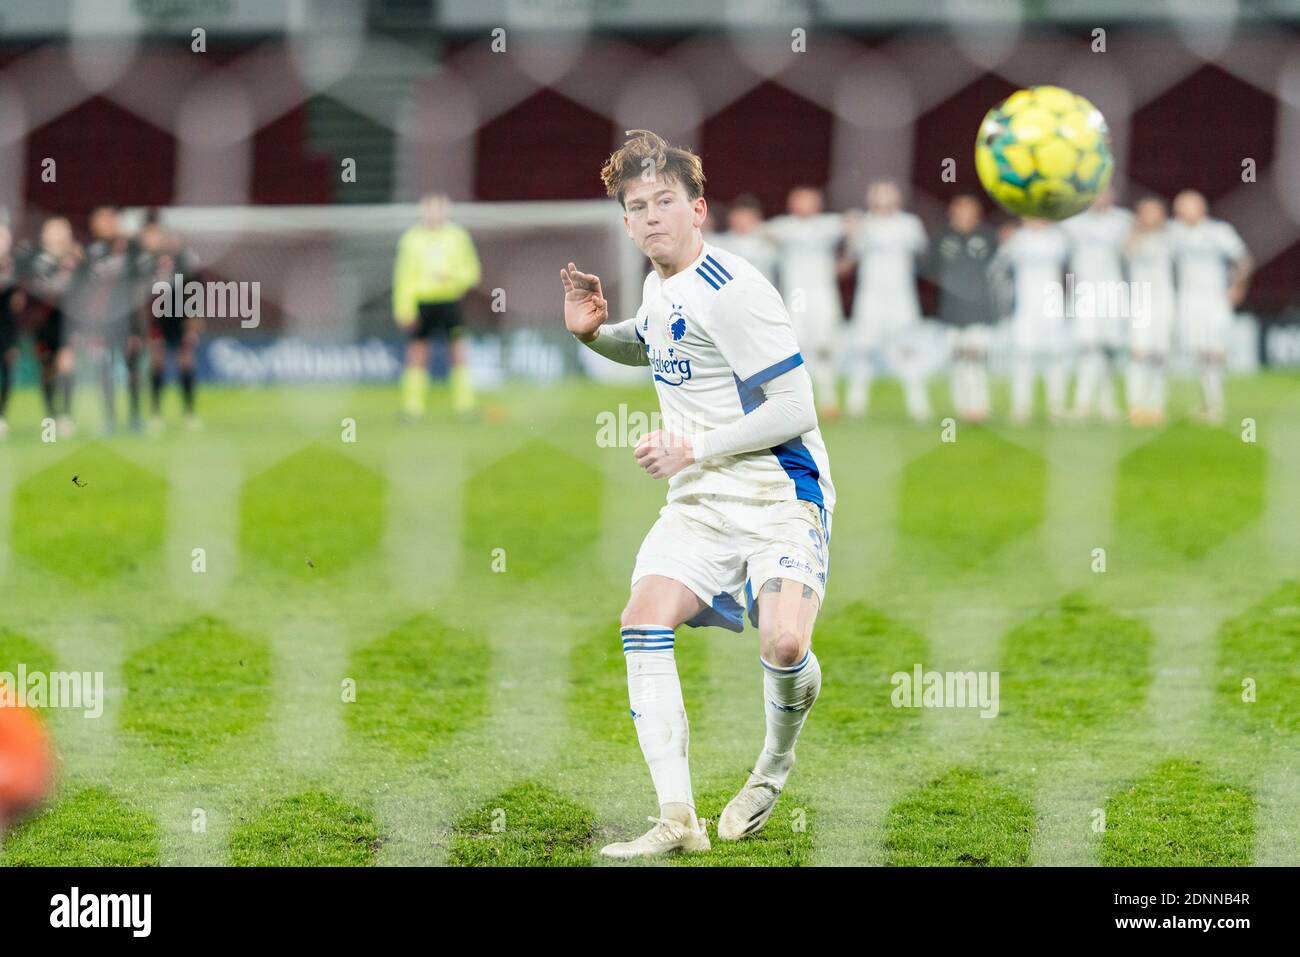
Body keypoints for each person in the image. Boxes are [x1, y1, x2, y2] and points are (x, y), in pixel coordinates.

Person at [562, 129, 834, 858]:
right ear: (625, 222)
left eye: (665, 201)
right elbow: (656, 342)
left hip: (779, 490)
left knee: (782, 642)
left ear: (698, 209)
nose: (651, 215)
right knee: (642, 616)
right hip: (701, 499)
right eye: (636, 205)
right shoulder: (658, 286)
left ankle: (772, 768)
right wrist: (596, 335)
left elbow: (796, 407)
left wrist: (694, 446)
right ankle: (677, 816)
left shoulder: (736, 291)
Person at [843, 180, 930, 422]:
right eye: (878, 194)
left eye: (888, 194)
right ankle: (855, 405)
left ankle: (918, 406)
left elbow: (921, 249)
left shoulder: (909, 224)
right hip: (870, 297)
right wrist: (852, 229)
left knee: (909, 350)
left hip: (901, 297)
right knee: (863, 349)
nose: (883, 199)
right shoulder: (863, 224)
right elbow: (852, 254)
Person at [391, 193, 482, 419]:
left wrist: (450, 276)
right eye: (429, 209)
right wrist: (403, 308)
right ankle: (412, 408)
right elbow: (402, 278)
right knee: (418, 352)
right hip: (422, 302)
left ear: (446, 211)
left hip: (449, 301)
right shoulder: (411, 239)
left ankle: (465, 405)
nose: (434, 214)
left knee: (458, 350)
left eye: (438, 209)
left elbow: (472, 273)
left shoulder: (458, 237)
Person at [1167, 190, 1251, 424]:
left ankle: (1215, 404)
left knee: (1214, 350)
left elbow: (1243, 260)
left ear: (1201, 208)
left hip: (1214, 299)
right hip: (1187, 299)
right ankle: (1209, 402)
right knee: (1199, 351)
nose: (1180, 212)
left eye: (1185, 206)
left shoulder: (1218, 232)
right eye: (1178, 207)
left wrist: (1238, 288)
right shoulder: (1174, 232)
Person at [764, 185, 849, 417]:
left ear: (818, 204)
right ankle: (795, 401)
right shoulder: (785, 226)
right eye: (799, 200)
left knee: (824, 347)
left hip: (822, 295)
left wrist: (846, 259)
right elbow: (760, 231)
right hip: (796, 296)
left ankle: (828, 400)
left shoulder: (827, 225)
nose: (803, 206)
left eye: (808, 200)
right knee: (794, 347)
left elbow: (854, 225)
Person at [68, 206, 145, 433]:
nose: (107, 223)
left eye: (111, 218)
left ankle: (135, 417)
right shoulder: (88, 252)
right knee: (104, 368)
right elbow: (80, 289)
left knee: (133, 368)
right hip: (101, 322)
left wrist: (138, 327)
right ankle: (109, 418)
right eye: (102, 219)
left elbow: (139, 287)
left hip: (129, 320)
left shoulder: (130, 248)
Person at [1062, 187, 1133, 421]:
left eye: (1105, 193)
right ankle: (1082, 403)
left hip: (1113, 290)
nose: (1101, 198)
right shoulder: (1072, 221)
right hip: (1084, 291)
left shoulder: (1123, 220)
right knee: (1086, 347)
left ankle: (1107, 402)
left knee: (1109, 348)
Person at [991, 218, 1071, 423]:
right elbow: (998, 265)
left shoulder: (1058, 238)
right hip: (1025, 307)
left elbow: (1067, 258)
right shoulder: (1017, 239)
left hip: (1052, 307)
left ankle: (1057, 406)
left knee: (1055, 358)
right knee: (1022, 358)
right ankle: (1021, 407)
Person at [929, 195, 997, 422]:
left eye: (969, 209)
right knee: (957, 361)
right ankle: (962, 408)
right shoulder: (942, 238)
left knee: (977, 359)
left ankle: (980, 407)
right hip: (951, 310)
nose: (964, 213)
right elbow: (930, 269)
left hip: (979, 310)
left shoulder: (988, 237)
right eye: (959, 208)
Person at [18, 216, 82, 436]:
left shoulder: (75, 259)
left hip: (67, 321)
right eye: (51, 231)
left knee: (66, 365)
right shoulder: (35, 260)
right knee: (46, 368)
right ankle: (51, 415)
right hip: (42, 323)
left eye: (60, 231)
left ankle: (65, 414)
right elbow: (25, 292)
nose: (55, 236)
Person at [139, 220, 204, 430]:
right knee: (157, 362)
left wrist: (194, 321)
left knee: (186, 361)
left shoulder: (188, 261)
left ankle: (189, 412)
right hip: (158, 320)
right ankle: (155, 413)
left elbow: (197, 292)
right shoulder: (151, 262)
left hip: (183, 318)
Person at [1125, 197, 1176, 426]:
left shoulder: (1171, 239)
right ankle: (1136, 404)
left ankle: (1156, 405)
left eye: (1156, 212)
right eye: (1146, 212)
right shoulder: (1131, 238)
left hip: (1164, 301)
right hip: (1139, 301)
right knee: (1139, 353)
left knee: (1160, 355)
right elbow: (1126, 252)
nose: (1151, 217)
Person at [709, 194, 777, 286]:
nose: (742, 221)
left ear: (757, 218)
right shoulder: (718, 243)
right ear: (731, 217)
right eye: (739, 216)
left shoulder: (767, 245)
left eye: (747, 217)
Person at [0, 225, 24, 438]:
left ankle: (2, 415)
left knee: (7, 369)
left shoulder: (15, 266)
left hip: (7, 327)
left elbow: (18, 302)